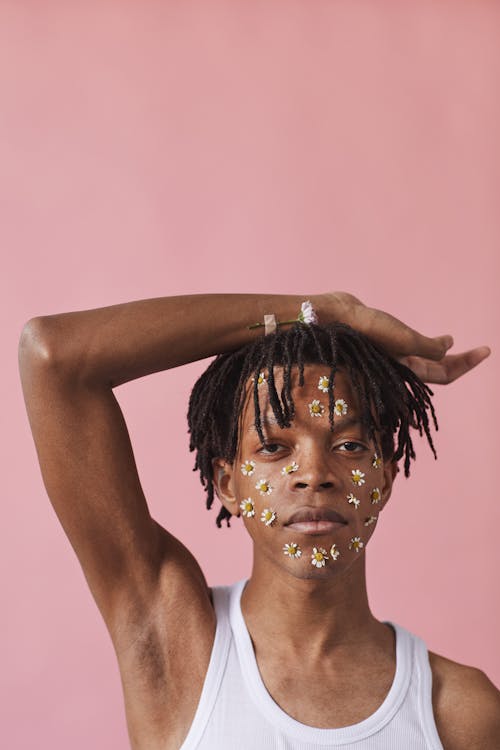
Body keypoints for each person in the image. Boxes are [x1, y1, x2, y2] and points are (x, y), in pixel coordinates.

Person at [18, 292, 499, 750]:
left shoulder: (458, 711)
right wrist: (319, 311)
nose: (313, 475)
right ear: (228, 484)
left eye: (349, 446)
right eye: (273, 447)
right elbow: (53, 355)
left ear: (387, 476)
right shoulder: (178, 644)